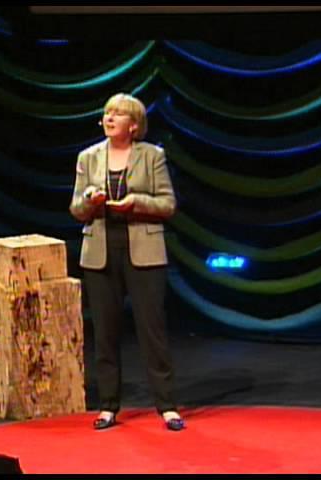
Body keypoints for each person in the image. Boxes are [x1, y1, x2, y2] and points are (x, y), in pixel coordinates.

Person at [69, 93, 184, 431]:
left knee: (152, 330)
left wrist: (135, 202)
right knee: (105, 330)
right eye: (106, 113)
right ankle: (108, 406)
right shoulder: (88, 158)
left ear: (133, 125)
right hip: (101, 250)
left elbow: (167, 205)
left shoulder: (152, 157)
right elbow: (76, 209)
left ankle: (166, 406)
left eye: (117, 114)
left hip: (143, 250)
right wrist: (90, 200)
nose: (109, 118)